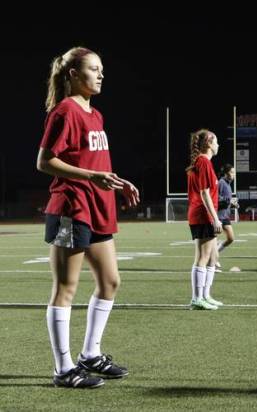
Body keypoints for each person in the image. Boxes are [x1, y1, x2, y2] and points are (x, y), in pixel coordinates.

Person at [37, 47, 140, 388]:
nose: (100, 75)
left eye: (101, 70)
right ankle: (63, 369)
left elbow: (94, 164)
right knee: (66, 288)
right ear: (72, 75)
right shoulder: (65, 111)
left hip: (97, 206)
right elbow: (45, 161)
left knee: (110, 282)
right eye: (93, 69)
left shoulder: (95, 115)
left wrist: (115, 180)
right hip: (71, 208)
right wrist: (91, 178)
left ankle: (90, 355)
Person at [186, 129, 224, 310]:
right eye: (216, 141)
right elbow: (204, 192)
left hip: (204, 214)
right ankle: (196, 298)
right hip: (203, 215)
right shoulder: (203, 162)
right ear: (209, 143)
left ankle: (206, 295)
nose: (218, 145)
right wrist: (215, 218)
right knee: (202, 257)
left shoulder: (202, 162)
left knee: (212, 257)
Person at [215, 163, 238, 269]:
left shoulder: (228, 184)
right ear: (225, 173)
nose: (233, 174)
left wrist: (232, 204)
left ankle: (216, 252)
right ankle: (213, 260)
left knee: (231, 238)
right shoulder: (221, 183)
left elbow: (225, 201)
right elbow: (216, 198)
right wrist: (229, 201)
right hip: (218, 216)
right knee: (213, 240)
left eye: (234, 172)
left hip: (225, 216)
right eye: (231, 172)